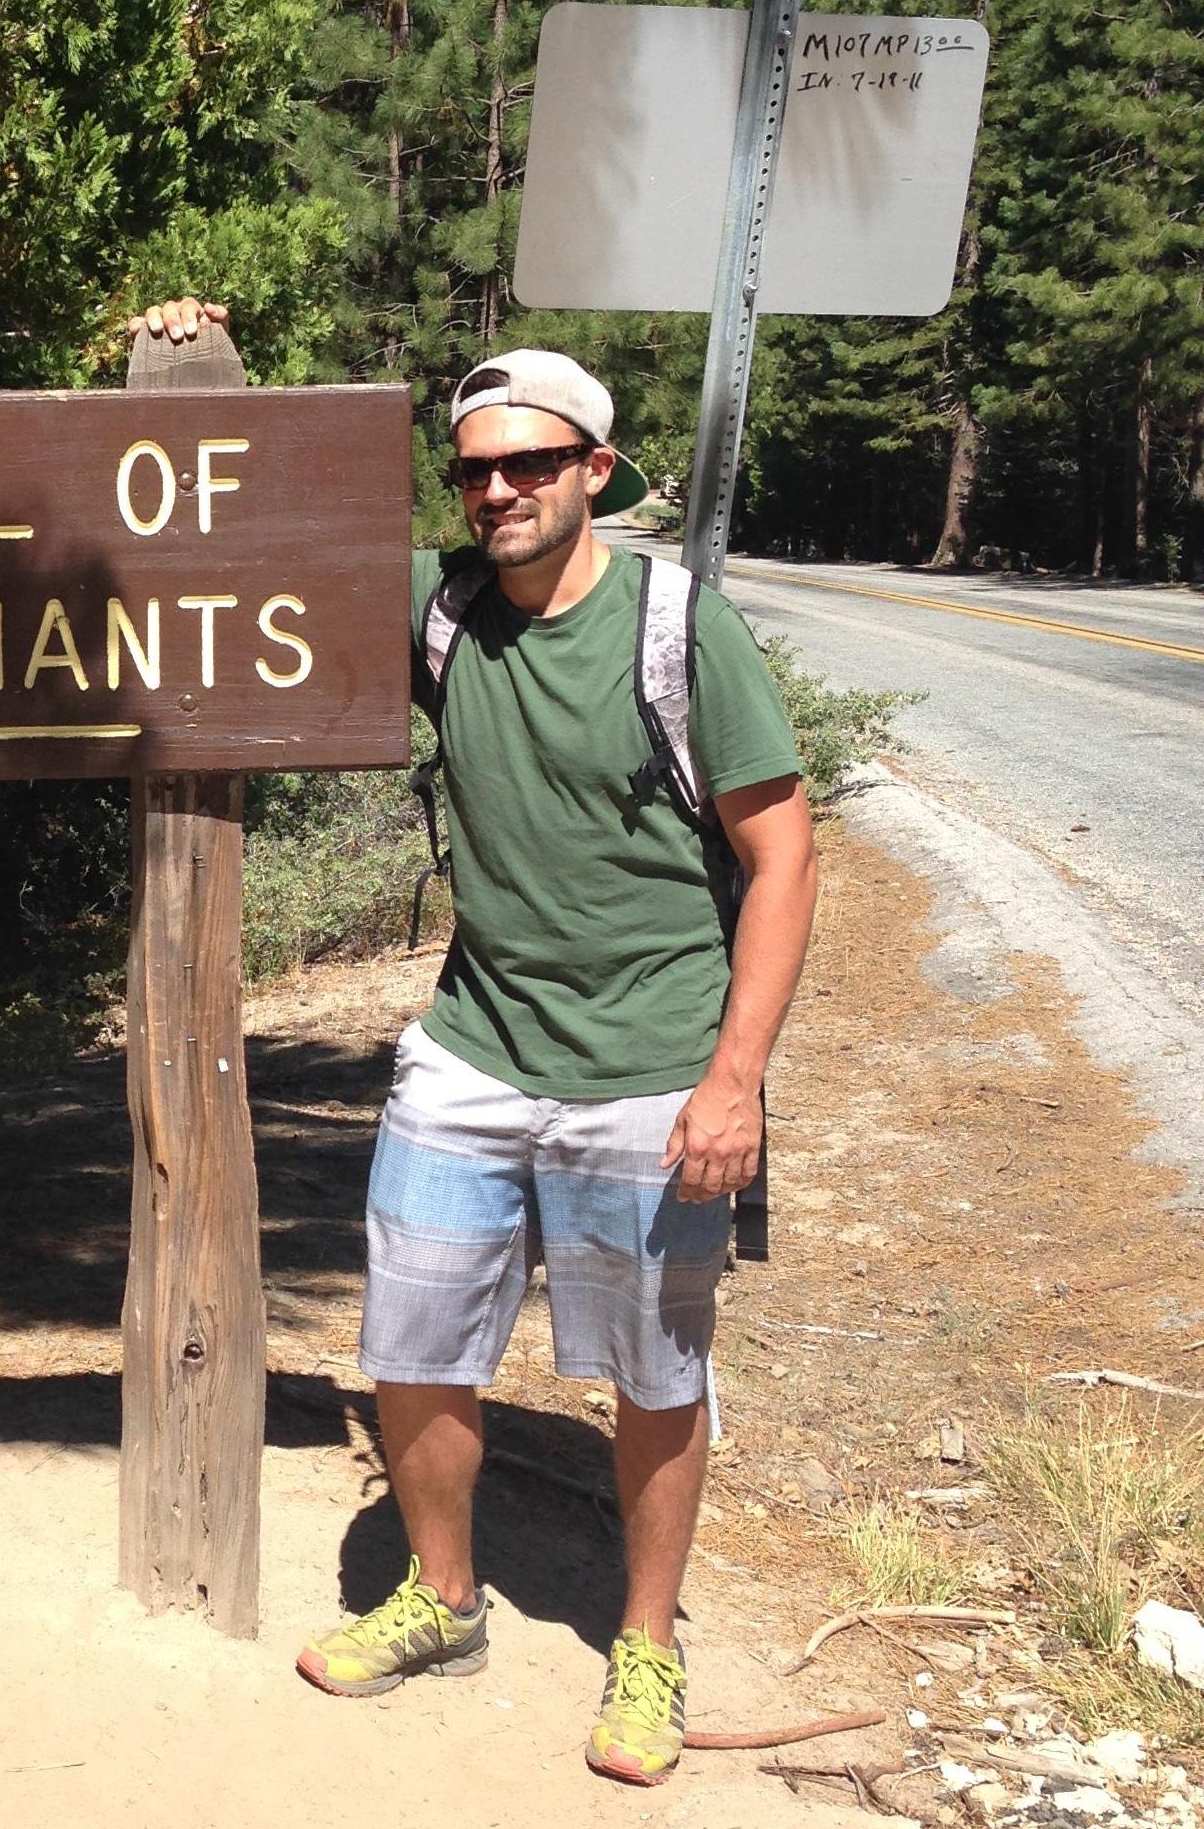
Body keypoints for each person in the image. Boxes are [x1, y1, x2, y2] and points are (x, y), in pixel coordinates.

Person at [132, 299, 818, 1788]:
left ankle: (647, 1643)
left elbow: (783, 857)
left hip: (653, 1063)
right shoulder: (441, 607)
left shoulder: (672, 626)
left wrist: (733, 1079)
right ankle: (443, 1598)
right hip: (473, 1047)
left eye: (532, 465)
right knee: (413, 1349)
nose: (500, 491)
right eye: (475, 472)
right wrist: (196, 360)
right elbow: (250, 539)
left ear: (597, 471)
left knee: (650, 1372)